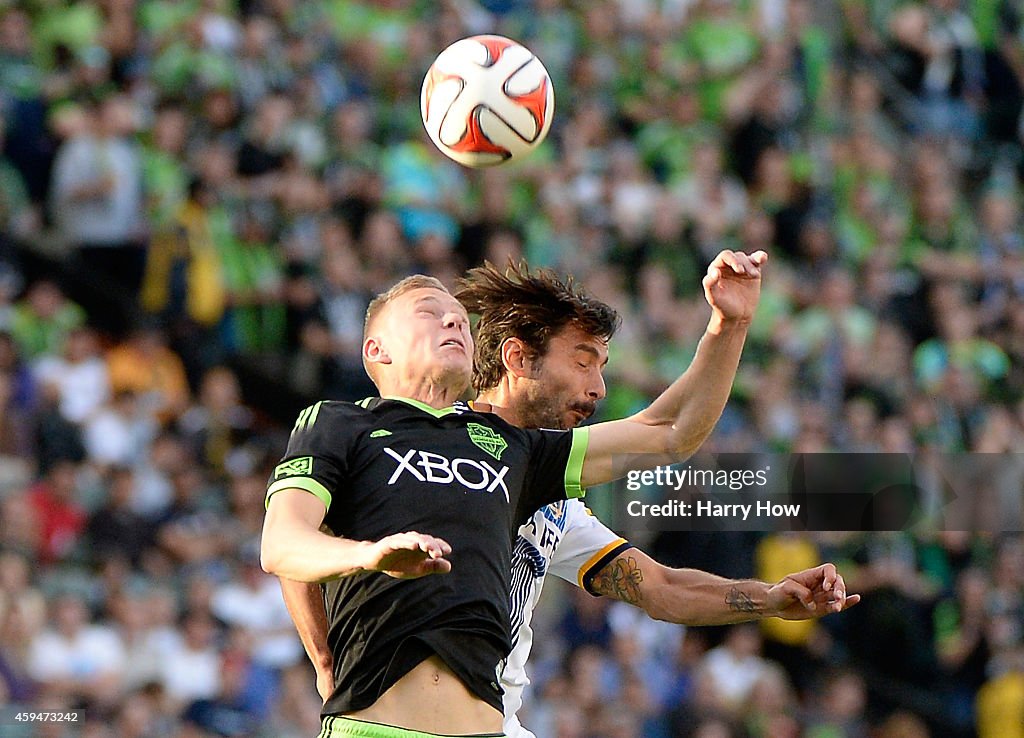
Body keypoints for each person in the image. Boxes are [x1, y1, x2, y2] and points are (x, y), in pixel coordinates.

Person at [260, 249, 844, 737]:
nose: (599, 387)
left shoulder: (535, 468)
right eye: (584, 361)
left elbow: (669, 440)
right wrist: (325, 649)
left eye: (460, 319)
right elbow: (292, 540)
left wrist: (729, 325)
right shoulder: (348, 425)